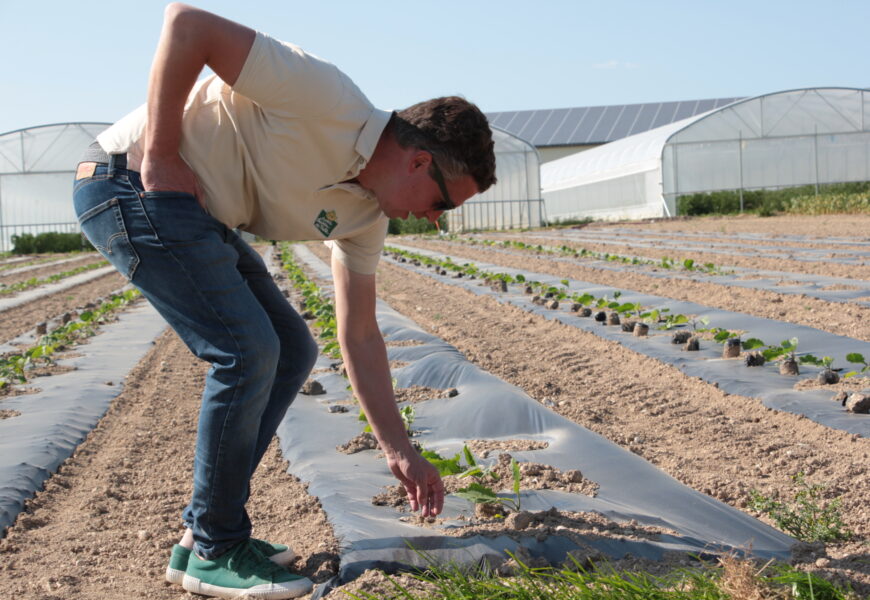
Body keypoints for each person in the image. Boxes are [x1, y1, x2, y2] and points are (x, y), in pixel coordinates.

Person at [72, 3, 497, 599]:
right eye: (442, 204)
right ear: (420, 160)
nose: (433, 221)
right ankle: (217, 546)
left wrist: (398, 449)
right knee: (247, 350)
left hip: (194, 214)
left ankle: (203, 533)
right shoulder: (326, 98)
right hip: (127, 180)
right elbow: (186, 23)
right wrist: (164, 154)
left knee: (292, 348)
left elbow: (361, 335)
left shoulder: (365, 218)